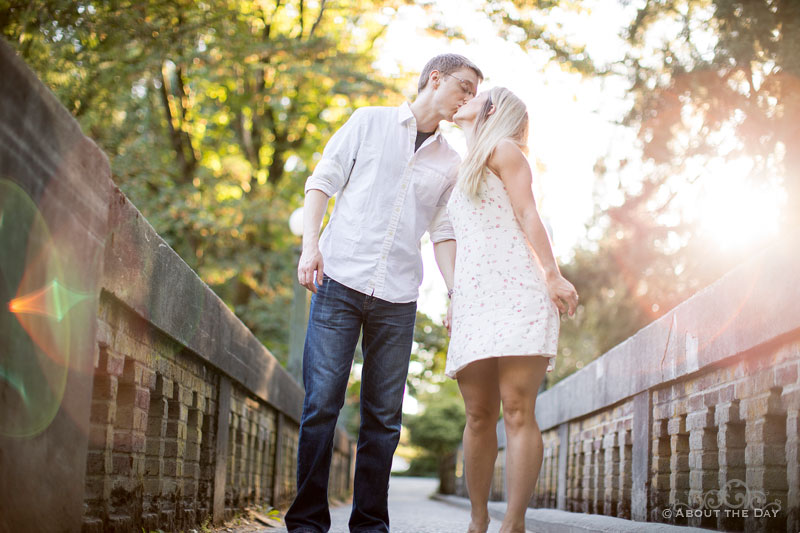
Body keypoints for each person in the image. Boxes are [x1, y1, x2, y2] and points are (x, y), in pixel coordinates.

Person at [285, 54, 484, 533]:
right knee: (321, 406)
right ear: (434, 78)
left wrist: (457, 294)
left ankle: (370, 525)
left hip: (397, 297)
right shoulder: (368, 123)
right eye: (464, 87)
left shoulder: (451, 162)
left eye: (474, 93)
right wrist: (310, 247)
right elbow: (321, 183)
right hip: (339, 282)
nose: (468, 99)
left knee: (384, 419)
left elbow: (444, 232)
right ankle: (307, 523)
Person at [441, 87, 579, 533]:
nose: (467, 96)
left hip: (519, 294)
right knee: (478, 415)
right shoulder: (464, 166)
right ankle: (478, 520)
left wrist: (554, 276)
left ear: (493, 109)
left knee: (518, 410)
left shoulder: (505, 150)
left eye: (477, 93)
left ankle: (512, 524)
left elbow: (527, 213)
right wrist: (454, 298)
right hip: (475, 303)